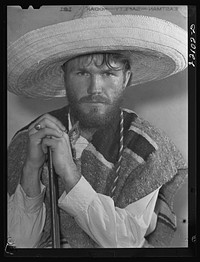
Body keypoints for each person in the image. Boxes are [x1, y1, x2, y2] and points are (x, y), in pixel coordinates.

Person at [7, 6, 188, 248]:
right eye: (82, 73)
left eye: (108, 74)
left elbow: (126, 243)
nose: (95, 88)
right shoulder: (30, 139)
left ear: (126, 79)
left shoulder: (149, 148)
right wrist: (31, 167)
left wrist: (69, 173)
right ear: (64, 77)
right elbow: (17, 244)